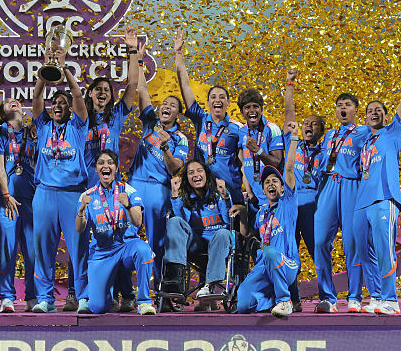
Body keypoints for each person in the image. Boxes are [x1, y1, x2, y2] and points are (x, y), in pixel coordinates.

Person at [355, 47, 401, 315]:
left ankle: (391, 299)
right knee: (364, 251)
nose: (374, 112)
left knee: (384, 249)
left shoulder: (393, 131)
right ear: (366, 117)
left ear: (386, 116)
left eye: (379, 110)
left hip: (384, 199)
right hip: (363, 203)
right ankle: (375, 296)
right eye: (370, 110)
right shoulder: (365, 141)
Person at [30, 46, 91, 313]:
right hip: (44, 193)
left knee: (78, 248)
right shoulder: (43, 125)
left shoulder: (78, 126)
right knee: (43, 248)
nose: (58, 105)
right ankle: (45, 298)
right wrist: (46, 70)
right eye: (56, 102)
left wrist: (64, 67)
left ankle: (84, 297)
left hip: (72, 193)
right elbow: (37, 96)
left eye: (63, 104)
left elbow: (77, 93)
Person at [126, 40, 189, 288]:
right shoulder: (150, 122)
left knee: (156, 240)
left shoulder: (180, 138)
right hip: (134, 183)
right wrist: (139, 61)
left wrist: (164, 147)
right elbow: (142, 90)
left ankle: (158, 288)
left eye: (172, 105)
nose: (166, 106)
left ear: (177, 114)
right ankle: (128, 290)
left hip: (158, 189)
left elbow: (175, 168)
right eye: (165, 103)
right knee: (126, 234)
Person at [312, 91, 378, 314]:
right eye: (339, 105)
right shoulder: (329, 135)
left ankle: (355, 297)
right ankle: (327, 298)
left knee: (352, 243)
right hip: (329, 185)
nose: (342, 108)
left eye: (347, 105)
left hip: (352, 186)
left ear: (356, 110)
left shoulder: (364, 132)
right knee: (320, 240)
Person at [76, 149, 157, 315]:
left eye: (110, 163)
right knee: (97, 307)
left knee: (143, 250)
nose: (106, 166)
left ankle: (143, 302)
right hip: (102, 252)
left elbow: (137, 221)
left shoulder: (129, 190)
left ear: (117, 168)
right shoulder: (87, 196)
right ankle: (107, 296)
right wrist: (82, 209)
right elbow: (79, 228)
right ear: (96, 169)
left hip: (127, 246)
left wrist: (127, 205)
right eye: (101, 163)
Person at [235, 121, 302, 317]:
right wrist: (243, 213)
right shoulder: (261, 213)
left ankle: (284, 300)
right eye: (267, 182)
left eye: (275, 181)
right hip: (264, 266)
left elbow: (288, 169)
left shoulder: (287, 204)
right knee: (243, 303)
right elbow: (247, 234)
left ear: (282, 188)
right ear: (263, 190)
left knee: (272, 252)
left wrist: (294, 138)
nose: (271, 184)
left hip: (286, 264)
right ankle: (273, 300)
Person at [173, 28, 245, 208]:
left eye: (222, 97)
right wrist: (178, 54)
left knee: (232, 232)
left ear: (228, 103)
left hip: (230, 188)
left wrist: (247, 190)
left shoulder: (238, 129)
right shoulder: (200, 119)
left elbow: (244, 162)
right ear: (208, 102)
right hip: (202, 187)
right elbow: (185, 87)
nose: (217, 100)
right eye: (213, 97)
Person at [162, 158, 241, 308]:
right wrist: (174, 194)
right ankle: (175, 277)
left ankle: (210, 285)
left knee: (224, 233)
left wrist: (225, 196)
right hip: (197, 245)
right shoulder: (187, 198)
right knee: (174, 221)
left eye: (199, 171)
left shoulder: (219, 193)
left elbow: (227, 218)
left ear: (206, 174)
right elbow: (182, 221)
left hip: (219, 243)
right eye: (191, 172)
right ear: (187, 179)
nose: (195, 175)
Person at [281, 67, 327, 313]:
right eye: (305, 123)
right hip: (289, 206)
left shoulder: (324, 152)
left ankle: (325, 297)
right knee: (289, 253)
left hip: (312, 209)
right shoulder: (293, 141)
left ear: (321, 131)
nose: (308, 126)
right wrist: (290, 84)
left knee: (316, 252)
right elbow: (290, 113)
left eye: (314, 125)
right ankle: (293, 298)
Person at [0, 98, 39, 313]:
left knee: (32, 252)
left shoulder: (32, 133)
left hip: (29, 199)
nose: (15, 103)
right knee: (7, 250)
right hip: (7, 200)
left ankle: (32, 297)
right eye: (9, 102)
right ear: (2, 112)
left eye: (17, 102)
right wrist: (6, 194)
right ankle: (7, 297)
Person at [84, 26, 141, 187]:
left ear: (110, 96)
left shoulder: (117, 114)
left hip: (110, 181)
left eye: (106, 90)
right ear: (90, 93)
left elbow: (133, 83)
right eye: (98, 89)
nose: (103, 92)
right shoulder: (81, 118)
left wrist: (132, 50)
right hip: (84, 182)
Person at [238, 88, 285, 226]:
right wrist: (249, 192)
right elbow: (244, 164)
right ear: (242, 112)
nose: (252, 110)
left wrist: (258, 151)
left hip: (272, 196)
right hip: (255, 198)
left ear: (261, 109)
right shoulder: (241, 131)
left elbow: (276, 162)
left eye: (256, 106)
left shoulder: (272, 129)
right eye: (247, 107)